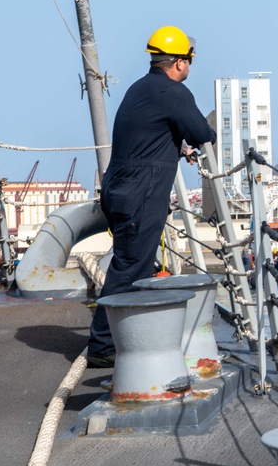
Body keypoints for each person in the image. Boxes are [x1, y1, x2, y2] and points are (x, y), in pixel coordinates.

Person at [86, 26, 216, 368]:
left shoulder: (140, 88)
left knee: (132, 261)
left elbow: (151, 135)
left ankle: (114, 339)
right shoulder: (173, 92)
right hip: (140, 191)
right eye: (189, 60)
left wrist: (178, 148)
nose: (189, 67)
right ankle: (102, 347)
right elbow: (203, 132)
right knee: (131, 266)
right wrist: (197, 140)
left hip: (121, 184)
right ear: (177, 62)